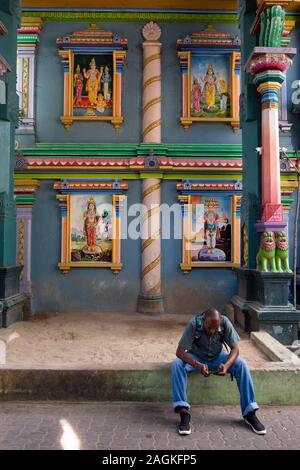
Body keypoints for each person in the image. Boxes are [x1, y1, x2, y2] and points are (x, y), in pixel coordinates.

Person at [171, 308, 266, 436]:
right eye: (209, 327)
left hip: (218, 358)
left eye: (215, 329)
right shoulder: (194, 324)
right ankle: (183, 412)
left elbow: (235, 349)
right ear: (204, 321)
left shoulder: (225, 322)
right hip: (197, 358)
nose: (212, 331)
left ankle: (249, 413)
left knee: (241, 364)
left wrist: (226, 366)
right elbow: (180, 352)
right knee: (177, 364)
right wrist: (197, 365)